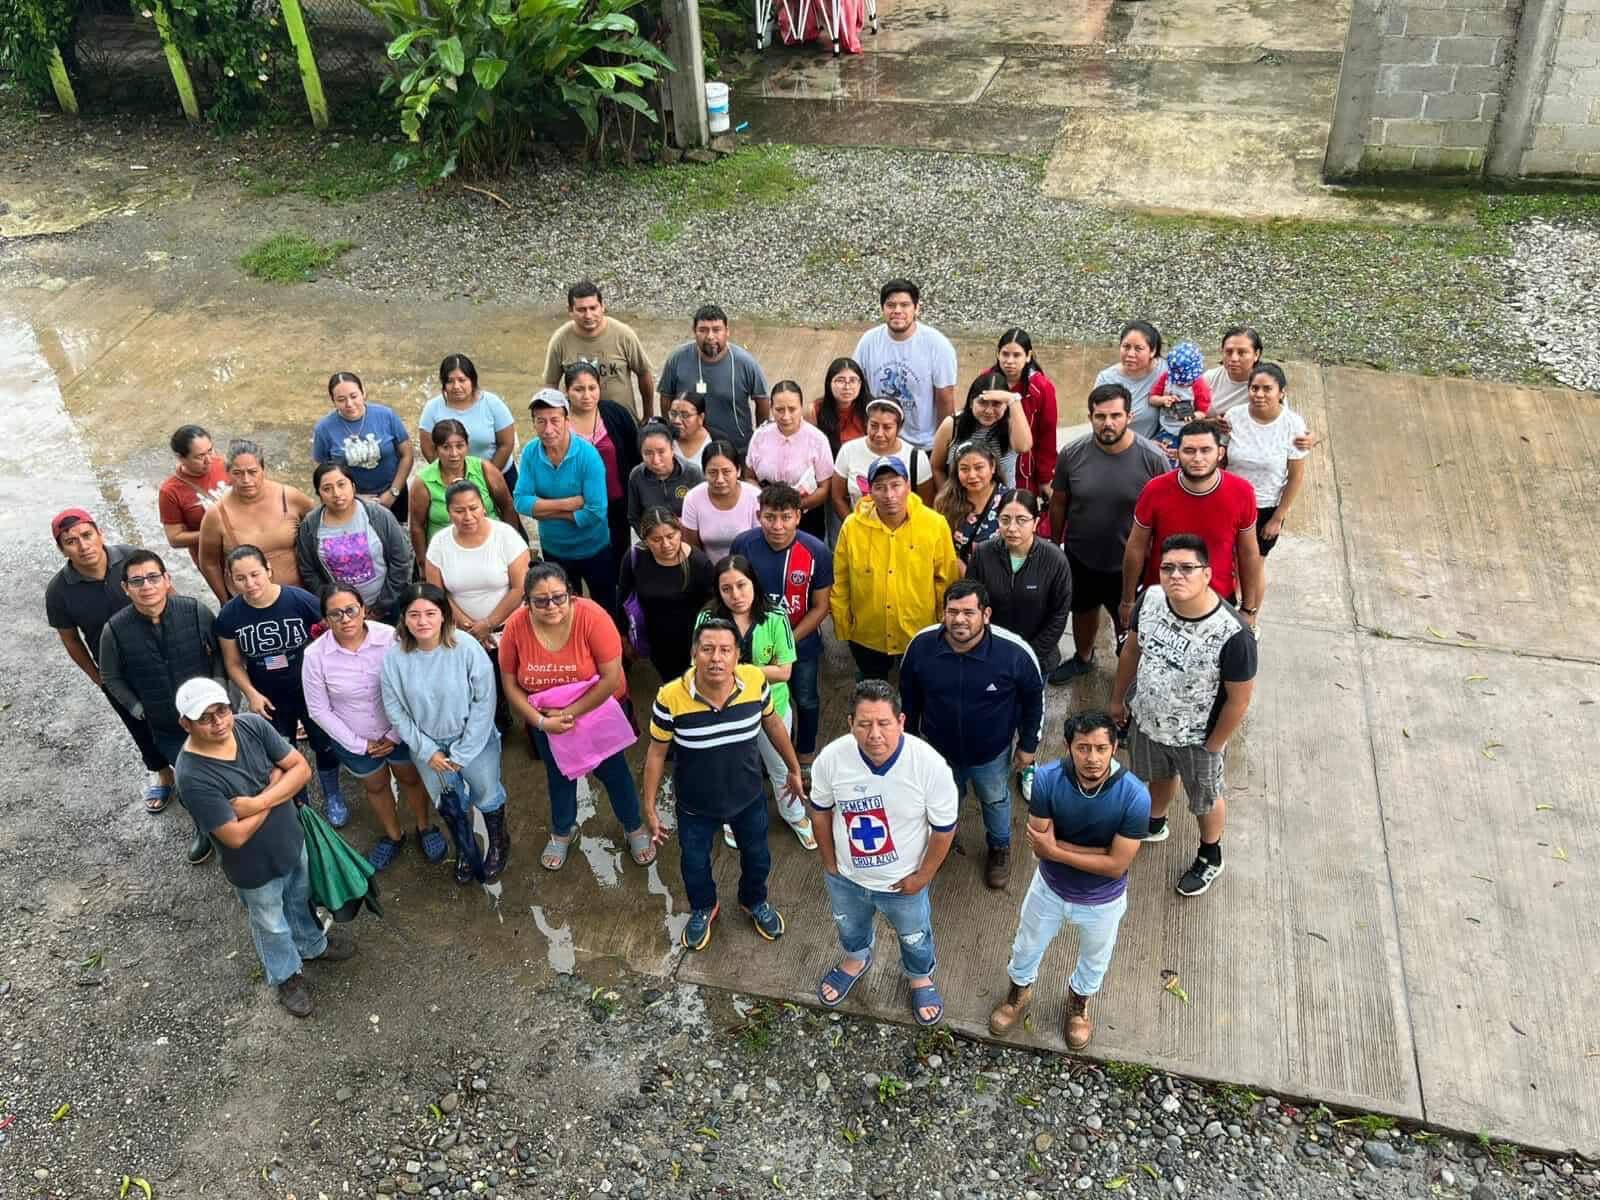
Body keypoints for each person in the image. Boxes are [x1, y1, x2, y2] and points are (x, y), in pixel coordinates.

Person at [173, 677, 354, 1017]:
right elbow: (234, 836)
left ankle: (312, 946)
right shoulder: (192, 776)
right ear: (186, 724)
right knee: (270, 923)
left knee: (300, 899)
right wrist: (277, 785)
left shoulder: (251, 726)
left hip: (291, 840)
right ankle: (286, 976)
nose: (218, 722)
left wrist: (255, 803)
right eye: (205, 718)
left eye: (222, 711)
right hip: (252, 867)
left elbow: (301, 770)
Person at [987, 711, 1149, 1051]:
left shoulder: (1135, 796)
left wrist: (1057, 849)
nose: (1092, 758)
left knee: (1095, 958)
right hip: (1049, 888)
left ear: (1115, 748)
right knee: (1026, 946)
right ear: (1068, 746)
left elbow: (1116, 866)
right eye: (1083, 748)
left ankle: (1078, 1006)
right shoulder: (1047, 779)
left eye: (1101, 748)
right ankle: (1018, 993)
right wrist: (1098, 852)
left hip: (1103, 900)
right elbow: (1039, 845)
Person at [641, 620, 804, 950]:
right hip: (695, 806)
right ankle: (704, 907)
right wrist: (650, 807)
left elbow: (773, 724)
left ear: (737, 655)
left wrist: (794, 768)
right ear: (693, 653)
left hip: (748, 798)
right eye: (707, 649)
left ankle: (753, 900)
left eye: (725, 650)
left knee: (758, 857)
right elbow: (656, 753)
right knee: (694, 864)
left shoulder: (755, 682)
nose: (716, 658)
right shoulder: (670, 697)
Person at [1110, 534, 1257, 897]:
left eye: (1187, 568)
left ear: (1208, 574)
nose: (1176, 575)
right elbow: (1132, 651)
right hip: (1148, 721)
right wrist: (1118, 700)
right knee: (1158, 776)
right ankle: (1155, 822)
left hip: (1197, 739)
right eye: (1168, 568)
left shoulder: (1233, 634)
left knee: (1205, 798)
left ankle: (1210, 854)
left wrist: (1214, 744)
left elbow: (1239, 700)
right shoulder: (1150, 599)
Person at [810, 680, 958, 1026]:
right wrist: (830, 863)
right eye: (864, 724)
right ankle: (855, 959)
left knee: (914, 936)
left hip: (903, 884)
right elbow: (820, 810)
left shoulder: (929, 765)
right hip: (846, 878)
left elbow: (944, 829)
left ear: (901, 721)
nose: (874, 734)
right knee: (849, 926)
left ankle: (919, 977)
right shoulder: (831, 759)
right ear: (850, 723)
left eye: (883, 723)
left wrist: (922, 877)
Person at [499, 563, 654, 871]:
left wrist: (568, 713)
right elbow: (510, 684)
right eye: (540, 601)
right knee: (559, 775)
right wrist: (542, 722)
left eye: (558, 597)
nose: (551, 606)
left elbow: (611, 678)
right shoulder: (516, 626)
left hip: (597, 711)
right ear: (527, 602)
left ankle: (633, 826)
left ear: (570, 594)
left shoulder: (592, 617)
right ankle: (562, 830)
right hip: (546, 721)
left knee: (614, 772)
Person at [899, 579, 1044, 890]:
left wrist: (1028, 745)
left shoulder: (1014, 652)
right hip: (937, 751)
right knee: (942, 798)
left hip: (991, 754)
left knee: (995, 799)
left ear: (986, 614)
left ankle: (999, 847)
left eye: (968, 612)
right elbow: (908, 696)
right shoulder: (921, 646)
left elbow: (1034, 699)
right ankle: (943, 840)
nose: (959, 620)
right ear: (943, 613)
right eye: (952, 612)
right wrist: (907, 741)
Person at [301, 585, 445, 871]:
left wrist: (395, 734)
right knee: (375, 785)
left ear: (363, 609)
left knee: (411, 778)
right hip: (353, 739)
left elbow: (411, 686)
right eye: (335, 614)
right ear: (326, 619)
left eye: (351, 610)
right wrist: (360, 744)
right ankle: (394, 836)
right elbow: (319, 709)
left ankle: (425, 826)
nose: (345, 619)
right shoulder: (315, 656)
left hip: (399, 729)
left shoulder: (390, 637)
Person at [98, 549, 224, 865]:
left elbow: (221, 656)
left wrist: (223, 696)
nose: (147, 586)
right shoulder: (114, 630)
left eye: (153, 577)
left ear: (167, 579)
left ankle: (238, 823)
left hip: (212, 717)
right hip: (166, 725)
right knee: (189, 782)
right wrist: (138, 708)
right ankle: (204, 828)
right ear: (125, 588)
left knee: (227, 770)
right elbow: (110, 676)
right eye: (137, 581)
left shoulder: (194, 611)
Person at [45, 509, 174, 812]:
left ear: (99, 533)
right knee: (138, 722)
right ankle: (162, 772)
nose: (83, 546)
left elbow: (169, 595)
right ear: (62, 549)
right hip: (117, 672)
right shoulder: (59, 591)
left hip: (164, 656)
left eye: (87, 535)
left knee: (181, 709)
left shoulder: (132, 558)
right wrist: (98, 677)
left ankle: (202, 764)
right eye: (71, 541)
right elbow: (70, 639)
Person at [381, 584, 511, 883]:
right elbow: (395, 709)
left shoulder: (466, 647)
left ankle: (499, 841)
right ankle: (466, 846)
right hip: (428, 748)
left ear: (443, 615)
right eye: (414, 614)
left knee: (487, 792)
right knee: (449, 802)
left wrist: (464, 751)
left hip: (474, 740)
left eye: (430, 613)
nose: (422, 621)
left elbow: (484, 700)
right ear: (404, 619)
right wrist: (428, 751)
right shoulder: (394, 658)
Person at [1048, 384, 1170, 682]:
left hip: (1130, 563)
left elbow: (1165, 514)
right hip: (1081, 555)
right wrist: (1055, 544)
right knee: (1082, 611)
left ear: (1130, 416)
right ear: (1090, 417)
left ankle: (1127, 670)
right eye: (1100, 416)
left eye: (1116, 416)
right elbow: (1059, 502)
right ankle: (1083, 657)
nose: (1108, 423)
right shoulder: (1072, 454)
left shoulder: (1153, 459)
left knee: (1128, 620)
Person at [693, 555, 815, 849]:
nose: (736, 595)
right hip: (724, 711)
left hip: (772, 708)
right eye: (726, 589)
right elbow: (698, 666)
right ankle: (733, 818)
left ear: (754, 584)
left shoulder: (775, 616)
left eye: (741, 585)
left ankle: (794, 814)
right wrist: (754, 671)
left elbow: (784, 671)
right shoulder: (707, 619)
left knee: (781, 766)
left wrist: (732, 669)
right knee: (730, 769)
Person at [214, 545, 343, 821]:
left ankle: (333, 794)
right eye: (240, 578)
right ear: (230, 580)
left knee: (324, 743)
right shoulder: (229, 616)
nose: (250, 584)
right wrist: (251, 693)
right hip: (268, 696)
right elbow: (233, 663)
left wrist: (330, 675)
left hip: (309, 689)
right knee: (282, 751)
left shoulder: (299, 600)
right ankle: (302, 804)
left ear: (269, 570)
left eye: (255, 574)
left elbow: (332, 633)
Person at [1120, 421, 1263, 631]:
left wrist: (1249, 608)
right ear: (1177, 453)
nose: (1197, 458)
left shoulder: (1242, 492)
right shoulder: (1155, 490)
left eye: (1206, 450)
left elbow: (1248, 553)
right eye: (1189, 450)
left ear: (1220, 453)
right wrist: (1128, 600)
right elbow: (1136, 547)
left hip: (1218, 600)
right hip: (1161, 597)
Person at [730, 484, 832, 769]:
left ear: (798, 516)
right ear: (758, 515)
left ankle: (805, 755)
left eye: (786, 517)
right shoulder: (743, 545)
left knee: (806, 699)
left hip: (802, 642)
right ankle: (770, 755)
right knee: (759, 700)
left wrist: (786, 643)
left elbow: (821, 606)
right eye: (770, 517)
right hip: (754, 645)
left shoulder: (816, 551)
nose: (777, 526)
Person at [831, 455, 960, 680]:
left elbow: (946, 579)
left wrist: (944, 625)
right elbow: (841, 579)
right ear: (870, 492)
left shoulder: (935, 524)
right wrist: (843, 626)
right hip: (868, 633)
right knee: (872, 687)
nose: (889, 495)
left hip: (918, 631)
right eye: (880, 487)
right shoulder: (852, 527)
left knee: (917, 687)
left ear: (908, 486)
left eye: (895, 485)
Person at [513, 388, 614, 614]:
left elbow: (595, 512)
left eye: (555, 420)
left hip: (594, 547)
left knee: (605, 608)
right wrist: (568, 504)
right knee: (564, 611)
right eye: (541, 421)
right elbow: (520, 502)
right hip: (554, 549)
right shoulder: (530, 453)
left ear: (567, 420)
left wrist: (542, 510)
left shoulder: (588, 455)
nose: (548, 429)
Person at [1219, 363, 1309, 592]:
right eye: (1254, 388)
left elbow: (1296, 477)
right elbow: (1222, 460)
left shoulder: (1293, 425)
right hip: (1229, 503)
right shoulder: (1234, 416)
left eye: (1267, 389)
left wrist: (1277, 518)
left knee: (1252, 567)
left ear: (1282, 393)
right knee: (1225, 562)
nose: (1259, 394)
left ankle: (1249, 611)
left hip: (1265, 508)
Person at [965, 489, 1072, 675]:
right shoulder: (982, 554)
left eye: (1021, 520)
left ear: (1035, 522)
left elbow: (1059, 615)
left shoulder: (1055, 560)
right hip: (991, 654)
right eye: (1005, 520)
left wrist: (1028, 657)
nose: (1012, 528)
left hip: (1037, 659)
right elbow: (972, 603)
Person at [424, 481, 531, 661]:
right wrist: (468, 628)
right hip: (460, 634)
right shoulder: (439, 543)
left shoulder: (506, 536)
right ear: (448, 513)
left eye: (473, 508)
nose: (468, 516)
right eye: (459, 511)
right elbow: (437, 593)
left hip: (508, 630)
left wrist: (488, 624)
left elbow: (520, 588)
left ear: (483, 507)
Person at [198, 440, 315, 601]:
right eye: (237, 473)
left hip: (302, 595)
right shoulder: (216, 515)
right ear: (227, 473)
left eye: (252, 472)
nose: (246, 480)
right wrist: (225, 601)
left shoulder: (289, 497)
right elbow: (209, 563)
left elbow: (322, 527)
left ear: (263, 470)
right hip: (251, 602)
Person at [296, 461, 414, 622]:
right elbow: (309, 571)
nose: (336, 493)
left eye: (341, 484)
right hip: (342, 614)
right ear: (319, 494)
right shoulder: (310, 526)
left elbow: (401, 561)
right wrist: (332, 603)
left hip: (387, 606)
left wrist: (381, 607)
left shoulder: (378, 515)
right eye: (327, 489)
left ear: (353, 486)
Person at [852, 278, 958, 452]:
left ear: (916, 308)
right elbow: (855, 385)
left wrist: (943, 447)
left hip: (922, 445)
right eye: (891, 305)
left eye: (905, 305)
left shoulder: (938, 345)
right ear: (882, 309)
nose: (897, 311)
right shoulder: (869, 341)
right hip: (880, 439)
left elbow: (945, 399)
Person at [617, 508, 717, 681]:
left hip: (693, 641)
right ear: (645, 540)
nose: (666, 545)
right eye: (656, 539)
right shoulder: (635, 558)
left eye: (671, 536)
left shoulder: (698, 563)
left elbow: (712, 606)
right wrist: (624, 636)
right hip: (656, 641)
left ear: (680, 532)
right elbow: (623, 597)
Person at [562, 360, 641, 576]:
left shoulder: (616, 414)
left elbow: (635, 456)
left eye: (592, 388)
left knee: (619, 560)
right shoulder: (559, 422)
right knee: (583, 562)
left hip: (616, 503)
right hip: (578, 506)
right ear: (567, 391)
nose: (586, 395)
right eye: (578, 389)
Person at [657, 304, 769, 453]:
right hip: (690, 448)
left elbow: (762, 400)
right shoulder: (677, 359)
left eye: (716, 330)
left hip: (736, 449)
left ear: (727, 331)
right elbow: (666, 396)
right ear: (694, 331)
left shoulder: (746, 363)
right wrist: (673, 430)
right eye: (703, 330)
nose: (710, 336)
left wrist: (760, 439)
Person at [409, 417, 520, 564]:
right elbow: (416, 526)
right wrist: (423, 564)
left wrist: (511, 547)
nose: (454, 453)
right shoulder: (423, 482)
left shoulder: (485, 469)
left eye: (459, 446)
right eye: (446, 447)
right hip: (446, 557)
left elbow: (507, 506)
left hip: (491, 549)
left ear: (467, 446)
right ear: (436, 449)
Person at [542, 279, 657, 419]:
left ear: (602, 306)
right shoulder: (560, 340)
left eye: (593, 308)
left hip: (622, 422)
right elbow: (551, 384)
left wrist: (648, 415)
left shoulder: (623, 335)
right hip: (578, 423)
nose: (588, 315)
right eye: (581, 310)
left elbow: (644, 373)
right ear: (570, 310)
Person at [312, 371, 415, 524]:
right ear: (333, 401)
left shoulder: (386, 415)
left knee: (399, 534)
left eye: (354, 396)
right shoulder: (324, 429)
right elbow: (322, 471)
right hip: (349, 501)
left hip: (393, 492)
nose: (349, 404)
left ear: (363, 393)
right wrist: (354, 498)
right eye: (341, 400)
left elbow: (407, 455)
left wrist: (393, 492)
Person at [744, 380, 834, 540]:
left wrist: (793, 507)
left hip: (806, 516)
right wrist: (767, 503)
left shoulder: (817, 439)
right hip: (767, 515)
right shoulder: (760, 436)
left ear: (801, 407)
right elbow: (749, 476)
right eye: (779, 410)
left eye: (792, 409)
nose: (786, 416)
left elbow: (824, 488)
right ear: (771, 408)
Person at [419, 354, 519, 490]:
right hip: (452, 482)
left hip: (498, 474)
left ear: (472, 380)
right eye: (450, 381)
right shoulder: (432, 408)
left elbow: (506, 444)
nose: (456, 386)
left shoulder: (492, 404)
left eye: (462, 380)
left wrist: (486, 478)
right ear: (443, 384)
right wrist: (449, 476)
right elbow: (428, 449)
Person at [830, 397, 933, 520]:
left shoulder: (917, 458)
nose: (879, 433)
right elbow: (837, 497)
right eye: (874, 426)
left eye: (887, 427)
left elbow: (925, 505)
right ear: (866, 424)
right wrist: (854, 526)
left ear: (899, 428)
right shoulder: (848, 450)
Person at [931, 371, 1032, 492]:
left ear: (1006, 406)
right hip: (959, 500)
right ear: (971, 402)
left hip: (1001, 500)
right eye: (982, 403)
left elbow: (1024, 447)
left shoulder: (1012, 425)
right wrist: (946, 497)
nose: (989, 411)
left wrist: (1014, 400)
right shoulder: (952, 425)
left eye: (997, 404)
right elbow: (936, 467)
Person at [989, 328, 1058, 498]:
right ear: (997, 354)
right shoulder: (987, 380)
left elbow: (1047, 435)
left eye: (1016, 355)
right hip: (990, 461)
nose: (1009, 361)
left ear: (1028, 356)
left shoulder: (1041, 387)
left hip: (1024, 466)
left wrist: (1045, 477)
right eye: (1005, 354)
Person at [158, 425, 229, 567]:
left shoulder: (225, 464)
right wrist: (215, 534)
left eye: (210, 450)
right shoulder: (170, 492)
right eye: (200, 456)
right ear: (180, 458)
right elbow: (175, 538)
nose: (209, 460)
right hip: (215, 561)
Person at [680, 440, 761, 561]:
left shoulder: (754, 496)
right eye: (712, 472)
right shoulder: (693, 498)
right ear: (704, 473)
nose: (720, 480)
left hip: (748, 566)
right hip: (708, 567)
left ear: (738, 470)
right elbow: (692, 548)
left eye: (726, 472)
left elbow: (758, 543)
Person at [935, 440, 1008, 567]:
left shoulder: (1010, 501)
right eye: (964, 469)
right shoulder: (945, 502)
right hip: (958, 574)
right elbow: (941, 547)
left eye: (979, 467)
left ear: (992, 467)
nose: (972, 475)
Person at [1094, 320, 1166, 441]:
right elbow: (1099, 423)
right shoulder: (1106, 379)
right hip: (1116, 445)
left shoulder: (1167, 372)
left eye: (1138, 348)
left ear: (1152, 351)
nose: (1130, 354)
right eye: (1126, 347)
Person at [627, 421, 703, 530]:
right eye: (648, 453)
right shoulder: (636, 476)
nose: (656, 460)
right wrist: (651, 537)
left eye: (661, 452)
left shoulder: (692, 473)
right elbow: (634, 517)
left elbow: (703, 513)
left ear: (672, 449)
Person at [1148, 341, 1213, 460]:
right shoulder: (1166, 378)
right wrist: (1163, 400)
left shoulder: (1200, 385)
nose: (1180, 384)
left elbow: (1203, 412)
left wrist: (1193, 416)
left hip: (1188, 431)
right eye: (1177, 381)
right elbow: (1152, 399)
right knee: (1158, 455)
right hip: (1165, 427)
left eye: (1185, 382)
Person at [814, 356, 870, 459]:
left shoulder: (872, 409)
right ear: (829, 383)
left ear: (860, 384)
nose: (847, 387)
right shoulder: (815, 410)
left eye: (852, 380)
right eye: (840, 380)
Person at [668, 392, 713, 471]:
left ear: (701, 418)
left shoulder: (715, 440)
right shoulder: (664, 439)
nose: (677, 421)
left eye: (685, 415)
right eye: (673, 414)